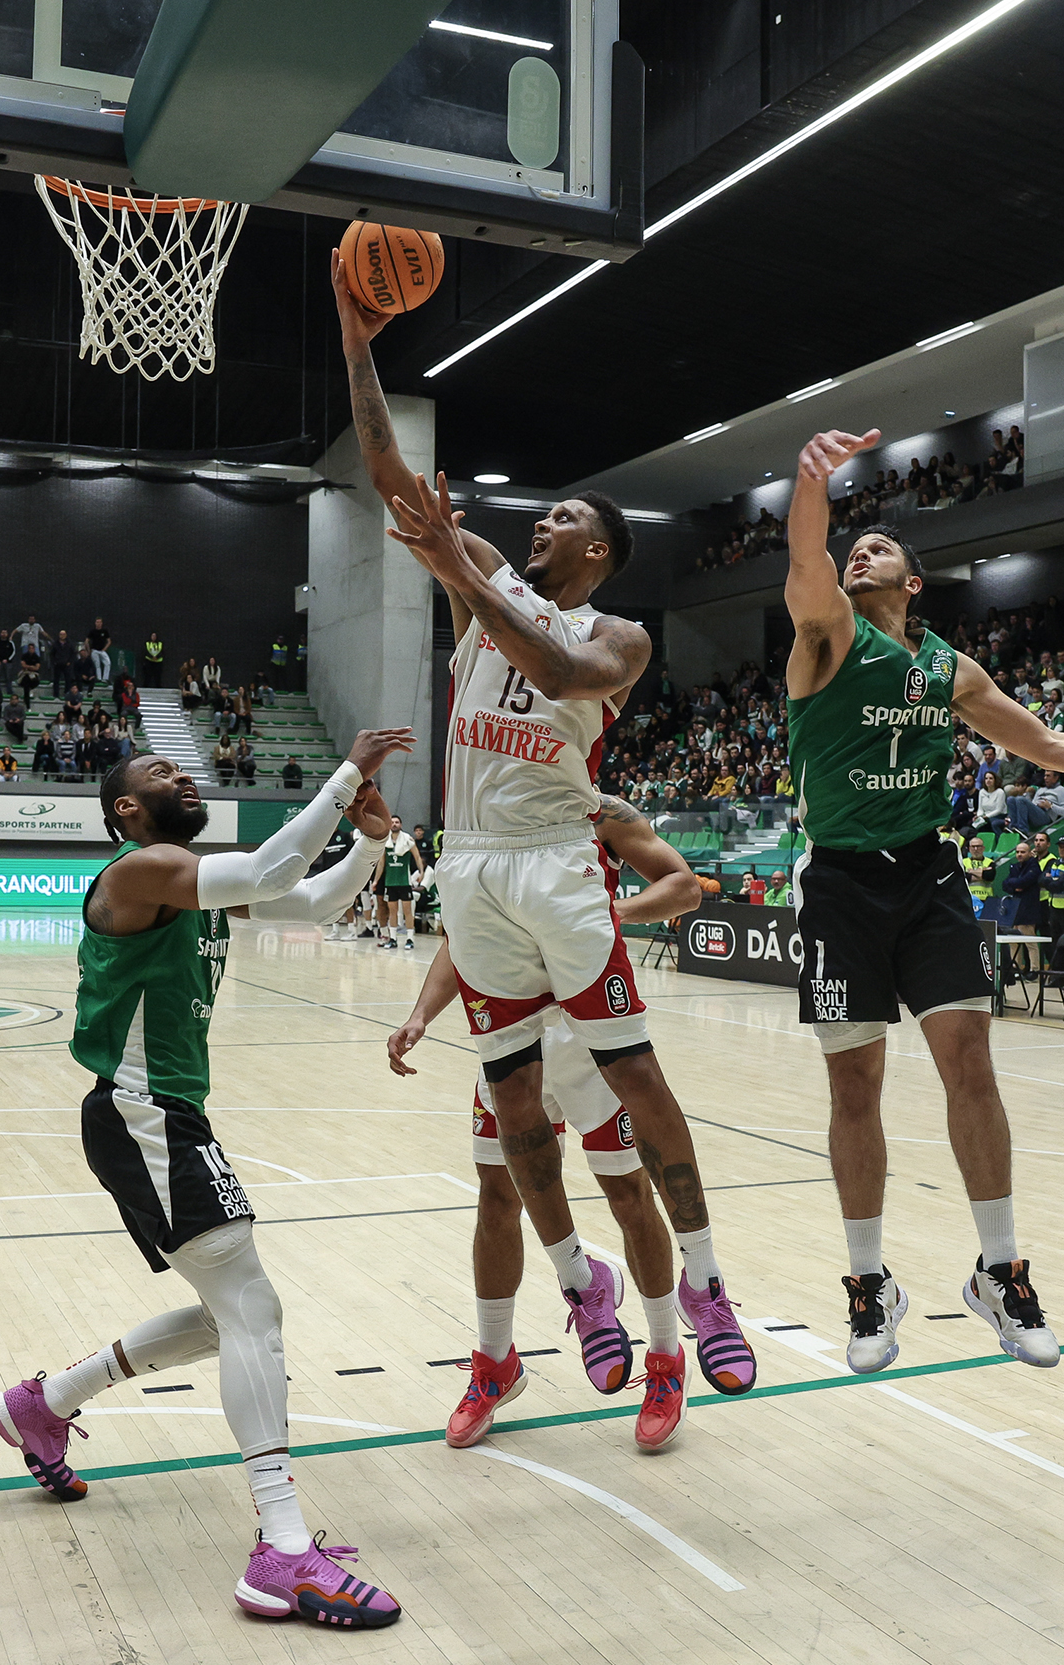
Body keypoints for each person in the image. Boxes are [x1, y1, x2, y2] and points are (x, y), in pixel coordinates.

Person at [758, 427, 1064, 1376]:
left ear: (913, 585)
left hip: (929, 873)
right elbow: (805, 554)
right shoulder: (825, 633)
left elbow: (1055, 749)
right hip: (838, 882)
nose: (861, 552)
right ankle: (870, 1283)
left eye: (882, 549)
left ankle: (1000, 1270)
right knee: (853, 1086)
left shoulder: (949, 669)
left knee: (969, 1062)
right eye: (853, 546)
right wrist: (811, 483)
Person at [357, 262, 759, 1398]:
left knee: (634, 1081)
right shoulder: (478, 578)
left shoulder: (620, 635)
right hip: (472, 868)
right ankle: (577, 1283)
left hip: (556, 863)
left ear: (597, 549)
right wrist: (356, 336)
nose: (540, 519)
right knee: (512, 1103)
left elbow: (555, 663)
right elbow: (388, 469)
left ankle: (706, 1282)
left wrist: (458, 572)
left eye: (564, 515)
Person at [0, 734, 411, 1627]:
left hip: (161, 1115)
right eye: (157, 776)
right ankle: (284, 1551)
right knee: (253, 1311)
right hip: (143, 1111)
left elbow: (313, 900)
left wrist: (369, 842)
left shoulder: (194, 885)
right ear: (126, 811)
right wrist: (344, 777)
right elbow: (265, 863)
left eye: (177, 769)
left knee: (231, 1316)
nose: (180, 776)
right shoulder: (138, 872)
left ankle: (46, 1401)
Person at [387, 792, 705, 1449]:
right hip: (510, 1039)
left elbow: (685, 888)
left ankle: (667, 1360)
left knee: (627, 1195)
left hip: (594, 1046)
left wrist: (610, 916)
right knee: (497, 1196)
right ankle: (495, 1362)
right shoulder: (486, 824)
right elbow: (461, 939)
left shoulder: (602, 812)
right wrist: (422, 1012)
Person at [374, 816, 426, 949]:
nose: (394, 824)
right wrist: (376, 880)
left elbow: (417, 857)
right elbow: (381, 863)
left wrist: (421, 872)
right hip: (390, 882)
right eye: (392, 822)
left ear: (401, 824)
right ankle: (393, 938)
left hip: (404, 882)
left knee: (408, 911)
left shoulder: (408, 840)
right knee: (392, 912)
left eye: (397, 822)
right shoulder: (385, 842)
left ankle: (410, 939)